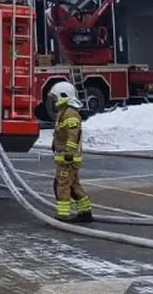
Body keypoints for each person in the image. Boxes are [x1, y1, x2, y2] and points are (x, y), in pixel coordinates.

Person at [48, 81, 92, 223]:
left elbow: (74, 134)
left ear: (63, 96)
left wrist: (69, 152)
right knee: (73, 185)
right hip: (66, 157)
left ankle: (63, 215)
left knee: (63, 186)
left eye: (55, 97)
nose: (54, 101)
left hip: (68, 158)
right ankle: (85, 212)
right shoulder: (64, 112)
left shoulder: (69, 113)